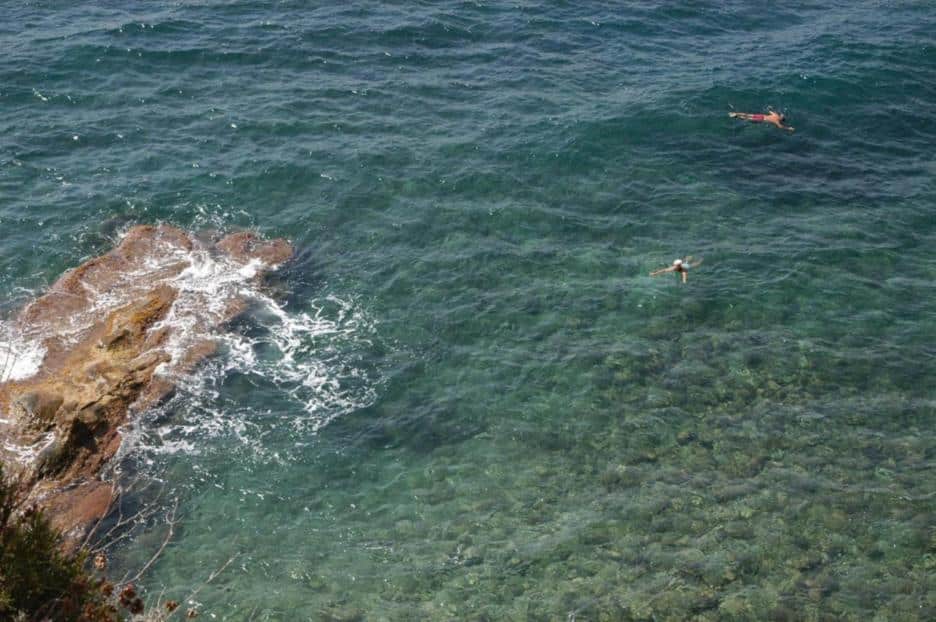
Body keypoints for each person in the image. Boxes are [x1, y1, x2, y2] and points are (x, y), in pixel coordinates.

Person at [729, 108, 794, 132]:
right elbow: (780, 127)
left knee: (748, 114)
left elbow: (770, 111)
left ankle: (735, 113)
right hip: (762, 118)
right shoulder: (776, 121)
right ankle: (736, 116)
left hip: (761, 115)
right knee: (748, 118)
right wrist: (788, 128)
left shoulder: (776, 115)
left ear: (781, 117)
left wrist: (770, 108)